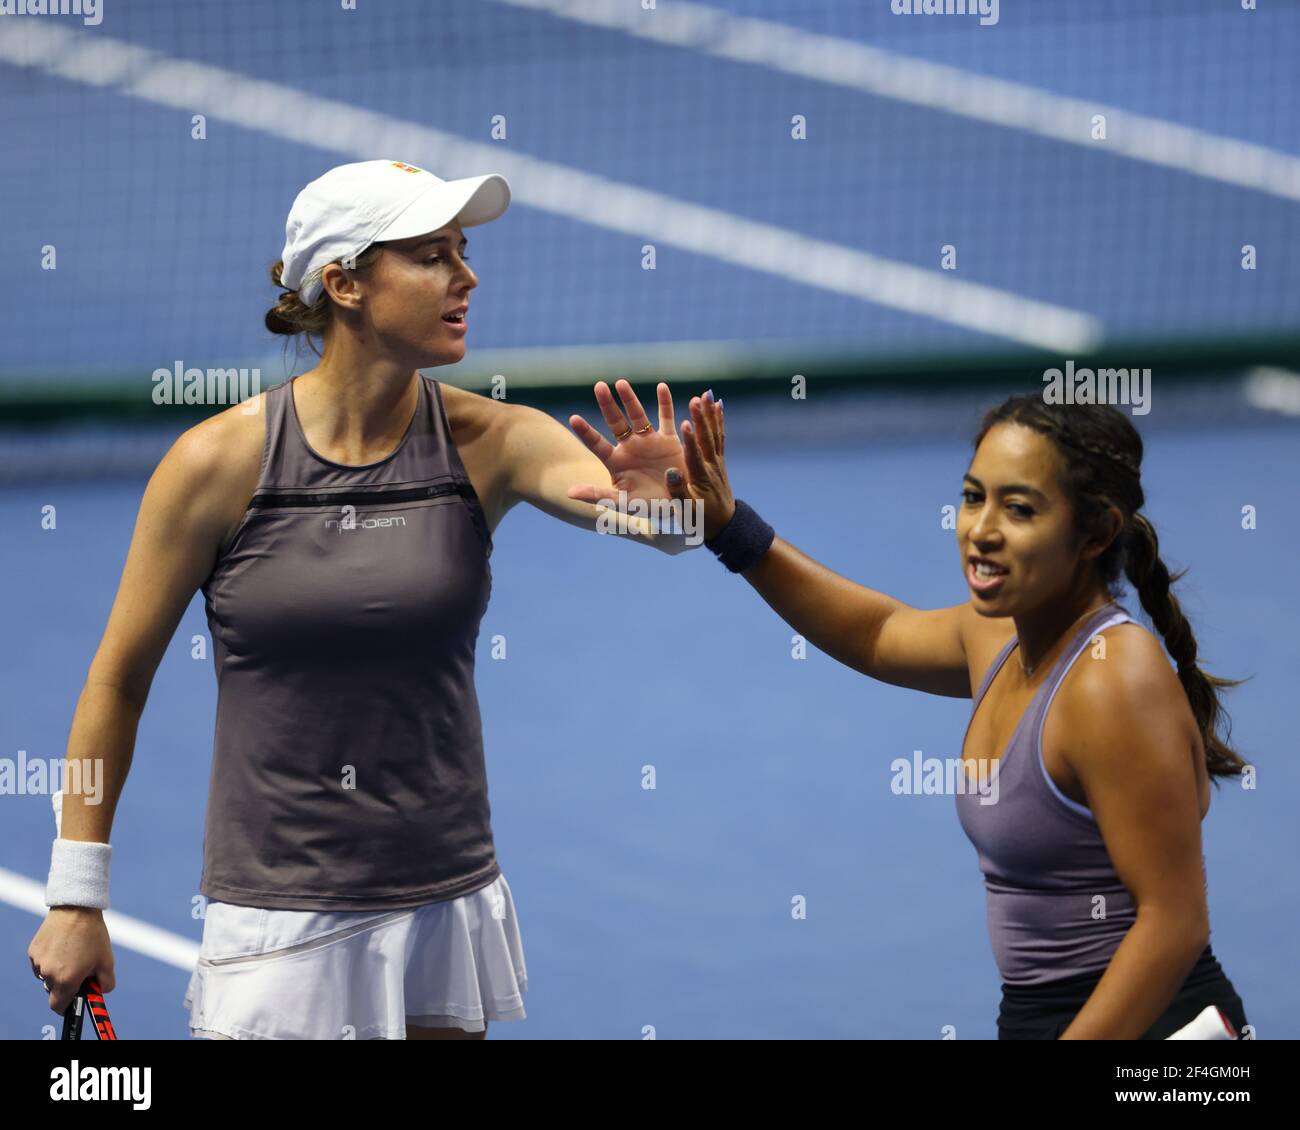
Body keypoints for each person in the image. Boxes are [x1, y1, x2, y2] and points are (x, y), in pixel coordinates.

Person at [27, 159, 695, 1040]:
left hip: (444, 897)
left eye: (461, 251)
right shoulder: (213, 466)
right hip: (281, 919)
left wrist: (679, 506)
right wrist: (77, 895)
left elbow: (653, 526)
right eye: (430, 256)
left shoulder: (496, 441)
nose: (467, 276)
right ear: (343, 283)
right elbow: (116, 682)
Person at [640, 388, 1250, 1039]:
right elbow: (878, 632)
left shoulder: (1113, 684)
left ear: (1095, 532)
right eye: (971, 496)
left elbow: (1174, 921)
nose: (980, 530)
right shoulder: (1005, 635)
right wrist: (728, 530)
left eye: (1019, 508)